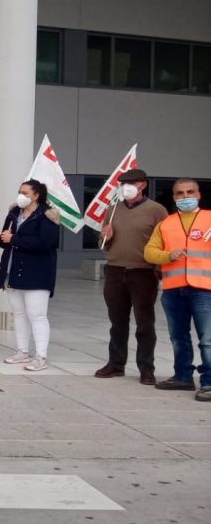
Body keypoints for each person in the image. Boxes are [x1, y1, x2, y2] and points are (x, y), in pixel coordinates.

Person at [94, 168, 168, 384]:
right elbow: (103, 245)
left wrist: (159, 267)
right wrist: (104, 236)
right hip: (115, 269)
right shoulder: (113, 209)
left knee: (144, 322)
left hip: (143, 272)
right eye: (122, 183)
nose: (125, 186)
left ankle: (146, 368)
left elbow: (164, 242)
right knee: (117, 321)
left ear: (142, 184)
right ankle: (116, 364)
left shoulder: (156, 210)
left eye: (130, 182)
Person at [144, 178, 211, 401]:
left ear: (199, 194)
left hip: (204, 289)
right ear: (174, 197)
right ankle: (182, 376)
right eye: (180, 193)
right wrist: (166, 256)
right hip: (174, 289)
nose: (185, 197)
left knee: (207, 339)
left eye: (190, 192)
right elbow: (149, 252)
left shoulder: (210, 220)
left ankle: (209, 381)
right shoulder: (166, 224)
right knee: (178, 337)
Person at [0, 179, 61, 371]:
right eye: (19, 191)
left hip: (37, 272)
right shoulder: (14, 212)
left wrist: (15, 239)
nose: (21, 195)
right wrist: (5, 238)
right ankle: (22, 351)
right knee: (19, 314)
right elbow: (4, 239)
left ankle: (41, 356)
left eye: (25, 192)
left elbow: (46, 243)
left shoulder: (47, 215)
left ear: (36, 195)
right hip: (13, 270)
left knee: (37, 315)